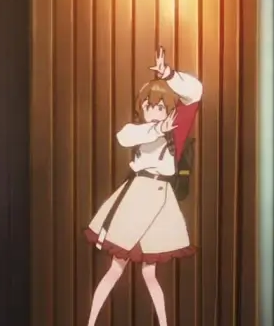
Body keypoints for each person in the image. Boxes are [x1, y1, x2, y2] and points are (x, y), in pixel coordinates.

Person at [84, 47, 202, 326]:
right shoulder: (138, 131)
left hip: (160, 198)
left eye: (160, 107)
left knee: (149, 273)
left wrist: (169, 75)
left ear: (169, 109)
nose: (153, 110)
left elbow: (195, 93)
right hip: (136, 196)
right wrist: (157, 129)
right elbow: (125, 137)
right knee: (116, 267)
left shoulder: (176, 132)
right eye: (149, 105)